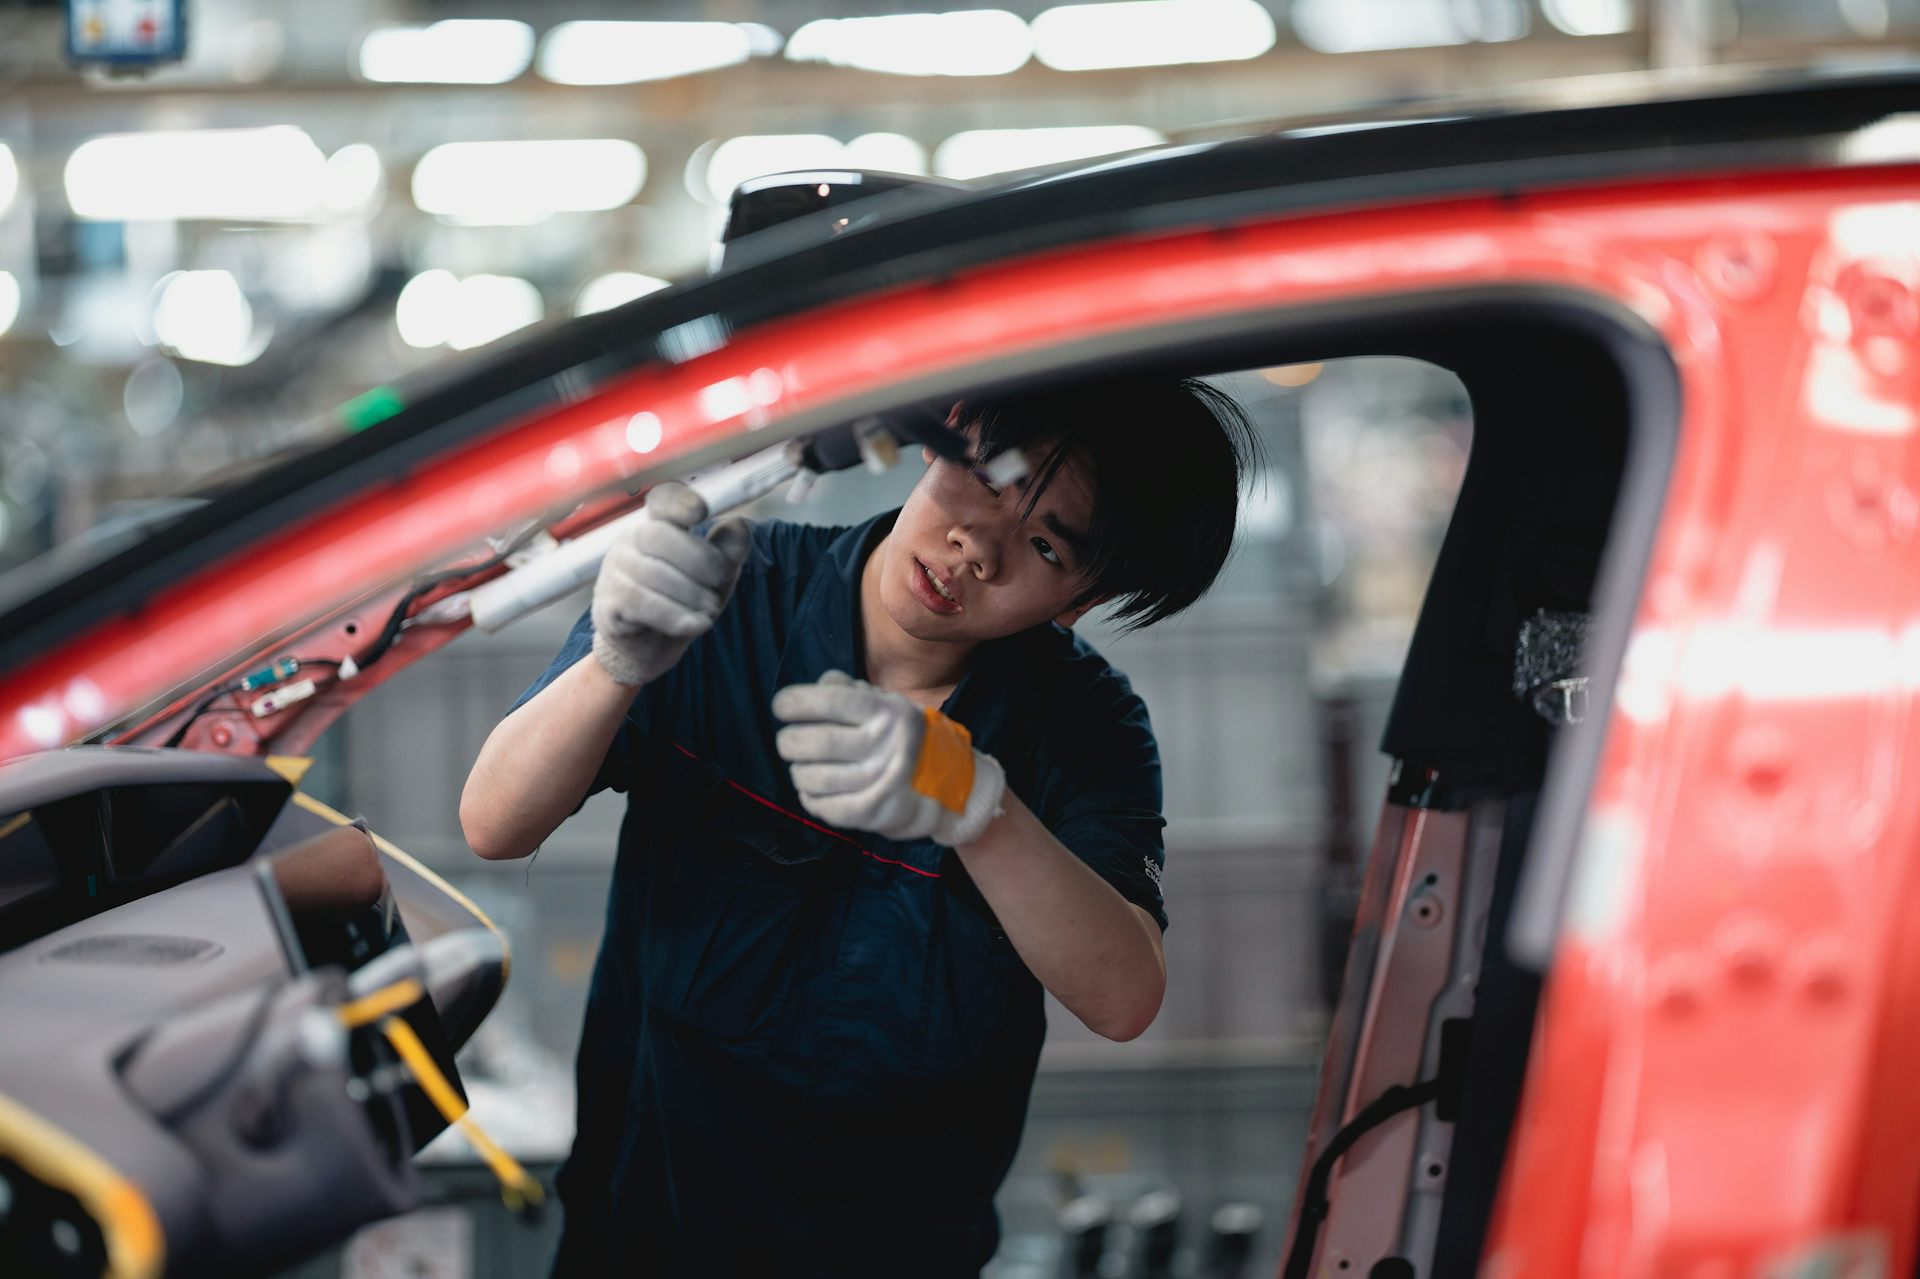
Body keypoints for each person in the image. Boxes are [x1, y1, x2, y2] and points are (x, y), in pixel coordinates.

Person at [460, 376, 1256, 1277]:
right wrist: (614, 665)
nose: (977, 548)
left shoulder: (1086, 728)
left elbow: (1125, 996)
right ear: (946, 432)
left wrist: (980, 811)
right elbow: (494, 822)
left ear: (1083, 599)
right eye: (989, 483)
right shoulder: (725, 589)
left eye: (1043, 544)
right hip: (643, 1228)